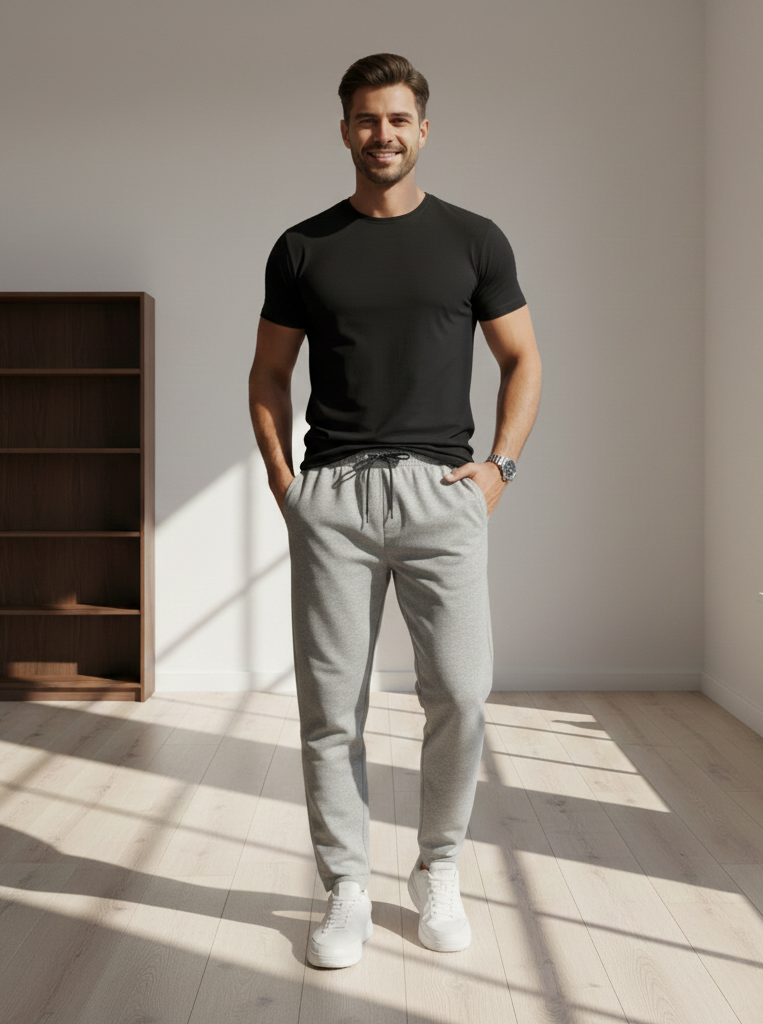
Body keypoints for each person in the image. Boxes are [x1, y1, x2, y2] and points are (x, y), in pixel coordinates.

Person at [248, 52, 542, 969]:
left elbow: (523, 360)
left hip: (441, 492)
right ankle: (345, 886)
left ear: (424, 128)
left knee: (459, 691)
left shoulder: (474, 239)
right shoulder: (303, 247)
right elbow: (268, 373)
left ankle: (438, 868)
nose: (383, 135)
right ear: (344, 130)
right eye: (367, 120)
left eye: (399, 119)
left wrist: (499, 468)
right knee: (331, 709)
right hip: (331, 495)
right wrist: (284, 483)